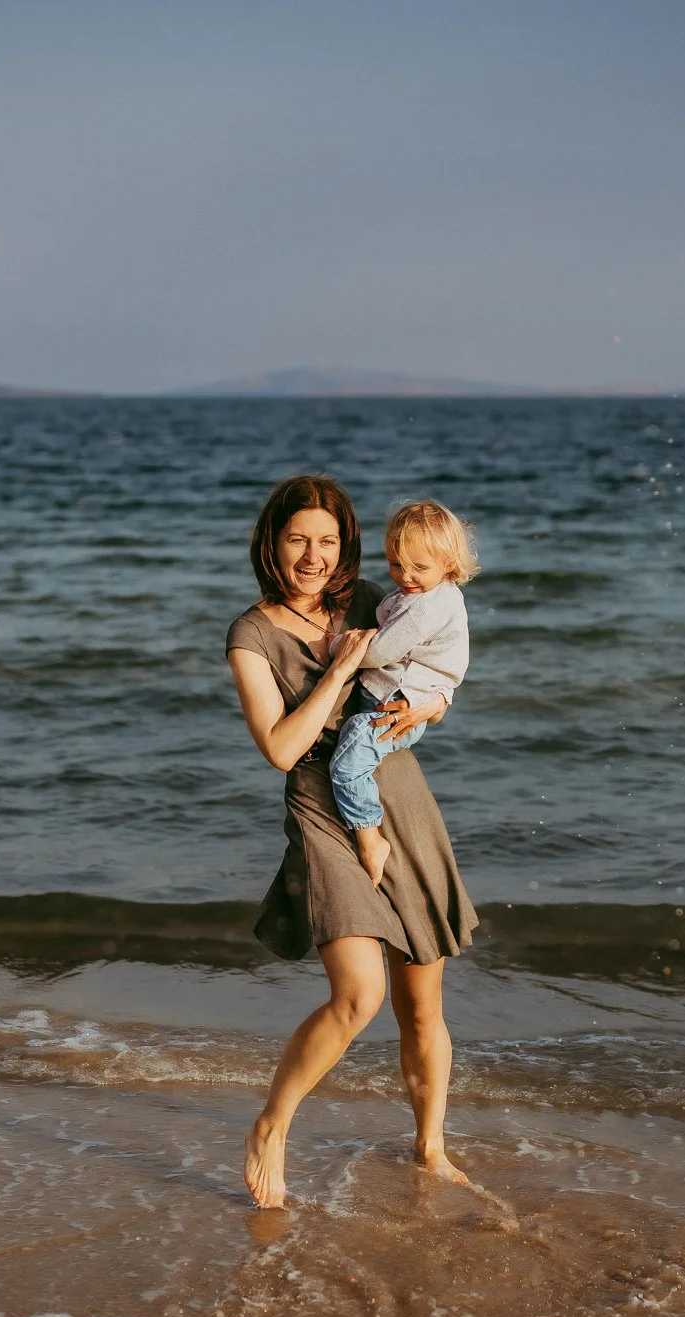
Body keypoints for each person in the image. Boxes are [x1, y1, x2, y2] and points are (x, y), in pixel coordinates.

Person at [225, 475, 480, 1209]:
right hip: (317, 802)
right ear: (272, 543)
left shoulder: (378, 596)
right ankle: (272, 1125)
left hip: (398, 793)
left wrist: (433, 701)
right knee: (359, 993)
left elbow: (440, 661)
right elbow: (279, 745)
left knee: (422, 1003)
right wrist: (339, 670)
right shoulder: (253, 634)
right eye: (299, 539)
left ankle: (430, 1146)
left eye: (328, 541)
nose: (313, 556)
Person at [330, 500, 478, 888]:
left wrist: (339, 646)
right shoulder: (416, 596)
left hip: (397, 707)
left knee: (348, 760)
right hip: (393, 696)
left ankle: (368, 835)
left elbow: (381, 651)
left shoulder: (431, 605)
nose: (406, 576)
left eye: (419, 567)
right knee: (354, 747)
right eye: (396, 564)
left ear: (448, 562)